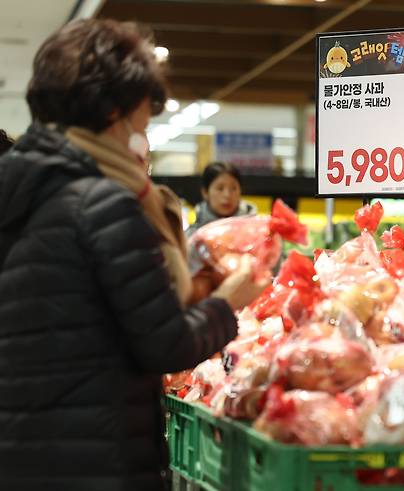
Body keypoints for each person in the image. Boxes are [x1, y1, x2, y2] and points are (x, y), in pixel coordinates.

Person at [0, 19, 267, 491]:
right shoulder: (104, 203)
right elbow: (166, 345)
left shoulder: (24, 189)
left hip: (28, 452)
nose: (145, 124)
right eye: (141, 112)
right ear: (111, 112)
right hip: (97, 460)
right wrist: (228, 301)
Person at [186, 161, 256, 237]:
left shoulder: (255, 230)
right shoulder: (193, 235)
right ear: (205, 192)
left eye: (233, 188)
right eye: (220, 188)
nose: (227, 195)